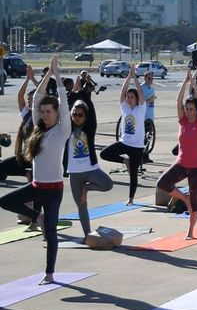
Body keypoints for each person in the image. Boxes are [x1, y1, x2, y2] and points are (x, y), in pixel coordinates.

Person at [0, 57, 70, 284]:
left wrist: (56, 75)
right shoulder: (38, 130)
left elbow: (64, 103)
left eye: (49, 111)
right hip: (36, 186)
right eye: (43, 112)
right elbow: (37, 98)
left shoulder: (62, 131)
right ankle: (36, 216)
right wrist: (46, 75)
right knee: (5, 201)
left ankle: (49, 273)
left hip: (53, 190)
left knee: (50, 233)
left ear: (56, 113)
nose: (45, 114)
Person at [156, 70, 197, 239]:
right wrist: (185, 82)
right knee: (162, 183)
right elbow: (178, 101)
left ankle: (191, 231)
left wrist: (194, 83)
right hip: (181, 164)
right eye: (186, 109)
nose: (188, 111)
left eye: (191, 109)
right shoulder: (183, 121)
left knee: (195, 201)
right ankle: (183, 198)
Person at [66, 99, 113, 240]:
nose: (76, 118)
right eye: (74, 115)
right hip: (74, 173)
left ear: (86, 116)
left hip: (90, 169)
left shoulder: (89, 128)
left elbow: (91, 111)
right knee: (81, 205)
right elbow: (63, 111)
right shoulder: (67, 130)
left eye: (80, 115)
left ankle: (86, 188)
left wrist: (84, 93)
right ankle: (87, 235)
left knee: (108, 184)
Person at [100, 68, 145, 204]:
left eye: (132, 97)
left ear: (136, 99)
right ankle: (124, 161)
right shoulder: (125, 108)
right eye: (128, 97)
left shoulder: (141, 109)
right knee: (104, 154)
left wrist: (135, 78)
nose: (129, 99)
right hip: (124, 142)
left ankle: (131, 198)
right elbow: (122, 92)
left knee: (133, 174)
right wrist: (128, 77)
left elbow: (141, 93)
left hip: (137, 146)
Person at [0, 65, 37, 186]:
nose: (29, 101)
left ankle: (32, 174)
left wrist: (35, 81)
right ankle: (26, 173)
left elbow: (45, 94)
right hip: (26, 154)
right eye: (29, 99)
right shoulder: (27, 115)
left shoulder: (42, 115)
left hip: (38, 156)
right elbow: (20, 96)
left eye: (32, 99)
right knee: (2, 166)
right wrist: (28, 79)